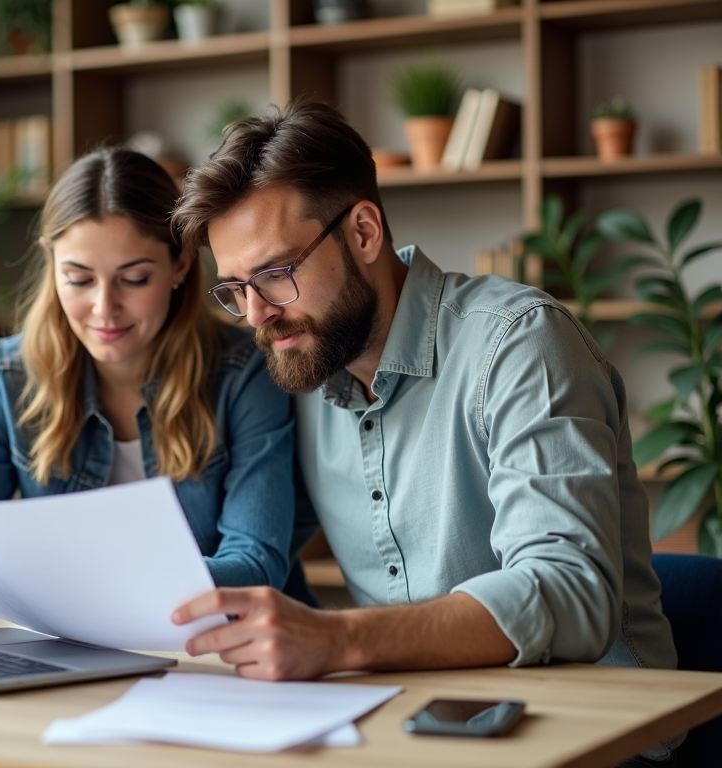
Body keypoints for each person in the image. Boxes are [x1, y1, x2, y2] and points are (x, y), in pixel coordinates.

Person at [169, 101, 679, 766]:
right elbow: (249, 543)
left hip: (598, 737)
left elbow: (570, 592)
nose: (259, 314)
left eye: (277, 274)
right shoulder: (300, 368)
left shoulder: (518, 345)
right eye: (236, 288)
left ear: (362, 232)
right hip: (417, 736)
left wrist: (339, 640)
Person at [0, 146, 302, 621]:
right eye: (78, 279)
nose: (104, 308)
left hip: (222, 654)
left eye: (134, 279)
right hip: (75, 653)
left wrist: (87, 583)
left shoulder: (243, 372)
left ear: (181, 263)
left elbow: (256, 565)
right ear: (50, 262)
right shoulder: (7, 375)